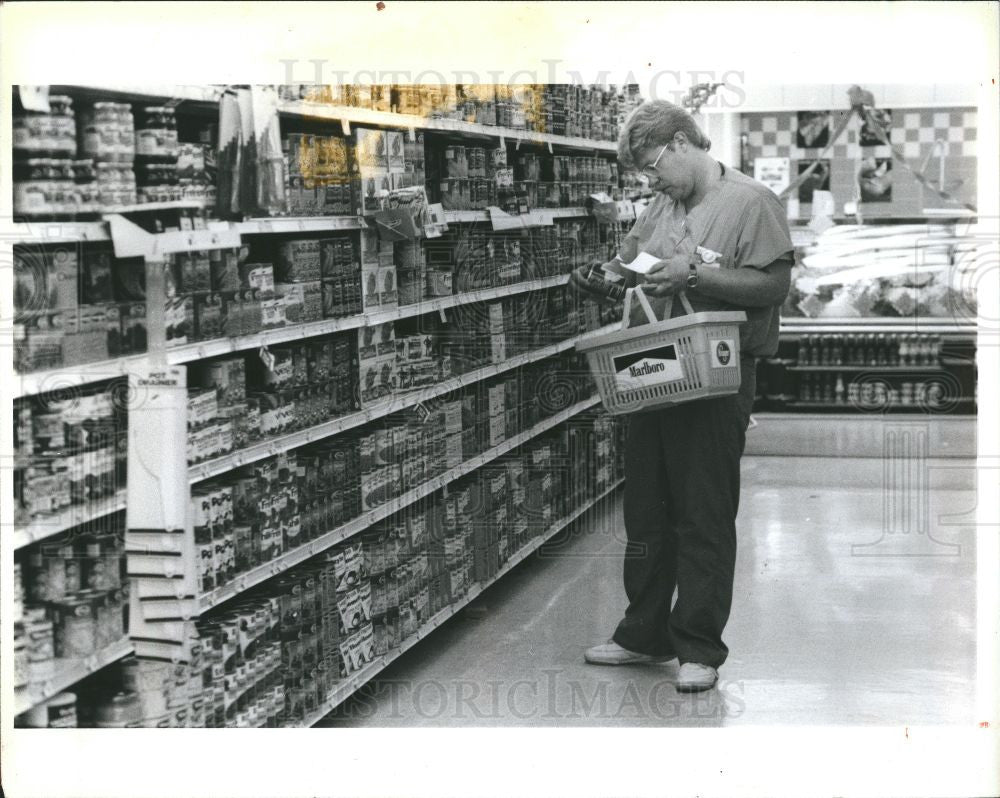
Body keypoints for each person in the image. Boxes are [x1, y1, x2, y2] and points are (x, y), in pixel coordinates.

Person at [570, 100, 794, 692]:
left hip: (718, 373)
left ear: (680, 143)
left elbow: (774, 283)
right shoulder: (661, 206)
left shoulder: (750, 202)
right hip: (652, 367)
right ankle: (642, 634)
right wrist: (604, 278)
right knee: (647, 509)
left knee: (703, 510)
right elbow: (632, 268)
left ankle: (698, 646)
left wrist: (694, 276)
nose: (650, 181)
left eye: (652, 167)